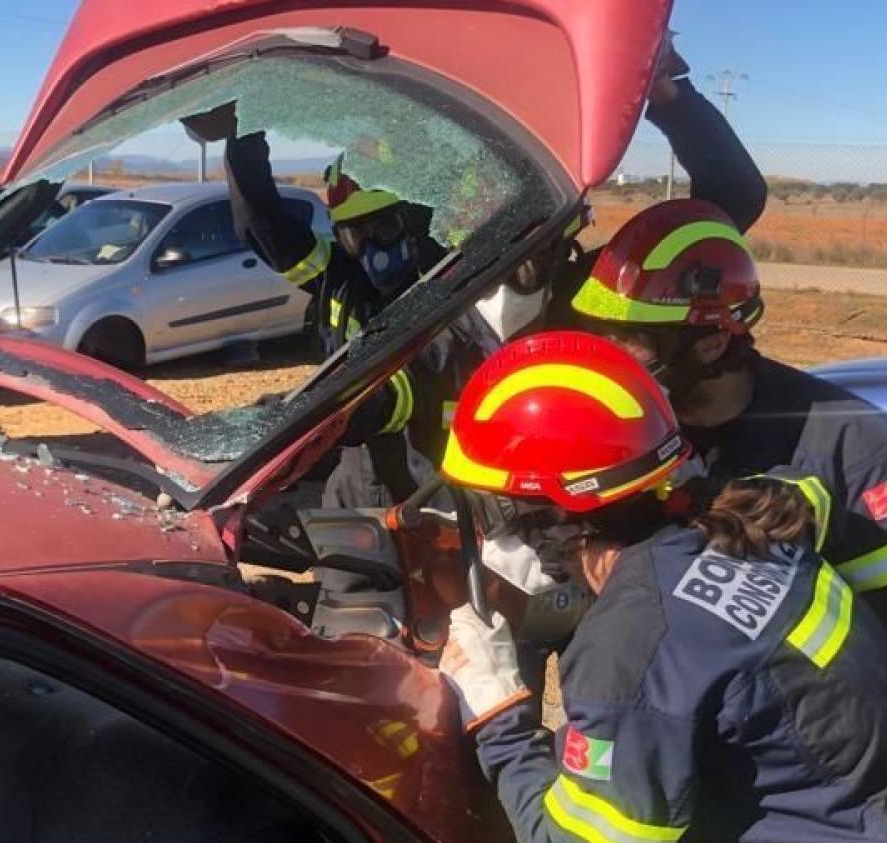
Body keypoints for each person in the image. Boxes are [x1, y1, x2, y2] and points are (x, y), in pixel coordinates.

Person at [438, 331, 887, 843]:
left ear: (553, 514)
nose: (492, 528)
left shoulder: (635, 641)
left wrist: (500, 720)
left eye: (494, 505)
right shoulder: (741, 525)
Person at [184, 37, 768, 508]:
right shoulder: (344, 282)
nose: (371, 251)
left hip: (536, 500)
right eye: (353, 234)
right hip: (401, 491)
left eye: (386, 230)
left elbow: (731, 198)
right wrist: (246, 123)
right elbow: (262, 223)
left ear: (433, 218)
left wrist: (671, 96)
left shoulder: (545, 281)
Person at [563, 198, 887, 662]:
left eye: (631, 341)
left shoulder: (846, 437)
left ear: (711, 342)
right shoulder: (618, 426)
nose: (609, 361)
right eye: (600, 334)